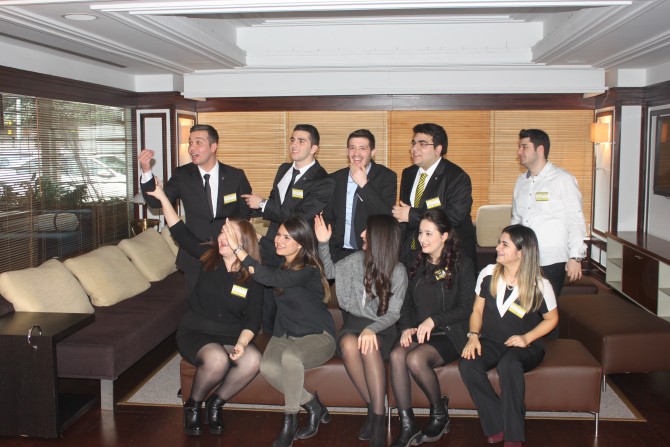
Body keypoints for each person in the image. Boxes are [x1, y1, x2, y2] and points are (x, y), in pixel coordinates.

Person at [146, 181, 263, 437]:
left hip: (232, 334)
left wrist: (242, 343)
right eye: (221, 232)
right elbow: (180, 230)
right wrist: (163, 198)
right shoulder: (207, 257)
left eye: (228, 234)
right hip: (196, 331)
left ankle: (216, 403)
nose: (221, 237)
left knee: (253, 359)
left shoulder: (254, 274)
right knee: (216, 359)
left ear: (243, 242)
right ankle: (193, 404)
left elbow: (253, 319)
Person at [223, 216, 336, 447]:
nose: (279, 240)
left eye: (287, 237)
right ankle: (313, 405)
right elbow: (267, 250)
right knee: (267, 367)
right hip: (285, 334)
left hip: (318, 336)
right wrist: (251, 233)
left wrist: (237, 247)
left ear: (300, 244)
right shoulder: (282, 262)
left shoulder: (309, 270)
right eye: (278, 234)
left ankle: (290, 421)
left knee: (291, 357)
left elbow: (267, 277)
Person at [459, 224, 558, 447]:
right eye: (499, 243)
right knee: (468, 364)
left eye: (505, 244)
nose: (498, 248)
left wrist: (526, 338)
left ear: (522, 252)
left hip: (526, 346)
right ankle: (497, 424)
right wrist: (473, 336)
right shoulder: (487, 274)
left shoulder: (540, 284)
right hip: (491, 341)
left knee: (509, 365)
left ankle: (514, 435)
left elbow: (552, 319)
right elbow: (477, 311)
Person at [315, 213, 407, 447]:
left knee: (369, 347)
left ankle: (377, 420)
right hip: (353, 324)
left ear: (380, 237)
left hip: (383, 328)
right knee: (348, 343)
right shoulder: (355, 259)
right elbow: (329, 272)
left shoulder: (398, 271)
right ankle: (375, 409)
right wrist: (323, 243)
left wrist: (372, 330)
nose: (362, 234)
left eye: (367, 231)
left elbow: (394, 314)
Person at [389, 209, 475, 447]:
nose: (422, 239)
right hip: (419, 331)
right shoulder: (415, 261)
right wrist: (406, 327)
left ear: (444, 236)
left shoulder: (463, 264)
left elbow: (466, 308)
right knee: (396, 355)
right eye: (420, 233)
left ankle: (439, 413)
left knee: (415, 359)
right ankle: (408, 425)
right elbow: (405, 303)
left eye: (428, 234)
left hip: (450, 332)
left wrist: (434, 320)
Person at [242, 124, 334, 333]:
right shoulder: (284, 169)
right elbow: (275, 202)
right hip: (273, 245)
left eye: (301, 141)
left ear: (314, 148)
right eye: (293, 139)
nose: (294, 145)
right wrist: (249, 213)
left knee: (292, 303)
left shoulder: (323, 181)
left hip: (298, 252)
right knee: (268, 301)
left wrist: (262, 204)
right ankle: (269, 341)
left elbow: (298, 216)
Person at [139, 124, 252, 292]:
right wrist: (146, 170)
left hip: (228, 254)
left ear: (213, 147)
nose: (192, 148)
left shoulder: (235, 176)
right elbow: (156, 202)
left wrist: (239, 248)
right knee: (196, 303)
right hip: (193, 254)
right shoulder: (182, 175)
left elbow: (245, 215)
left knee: (230, 300)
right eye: (190, 142)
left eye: (198, 142)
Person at [511, 129, 586, 337]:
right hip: (524, 259)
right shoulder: (521, 181)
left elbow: (575, 219)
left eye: (524, 147)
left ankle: (552, 353)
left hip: (551, 260)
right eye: (519, 147)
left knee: (545, 311)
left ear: (540, 149)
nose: (519, 152)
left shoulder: (563, 180)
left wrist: (575, 257)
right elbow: (516, 220)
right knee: (522, 310)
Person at [392, 123, 477, 271]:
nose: (415, 148)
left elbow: (454, 217)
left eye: (422, 144)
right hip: (413, 254)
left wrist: (412, 215)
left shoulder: (457, 177)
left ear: (438, 149)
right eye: (413, 143)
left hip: (448, 256)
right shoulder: (408, 174)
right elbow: (404, 217)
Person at [323, 129, 397, 262]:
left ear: (373, 152)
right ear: (347, 151)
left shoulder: (386, 177)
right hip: (338, 253)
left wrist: (364, 184)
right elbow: (328, 216)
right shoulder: (335, 178)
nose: (356, 153)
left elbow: (386, 216)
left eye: (363, 148)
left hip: (370, 253)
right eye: (352, 148)